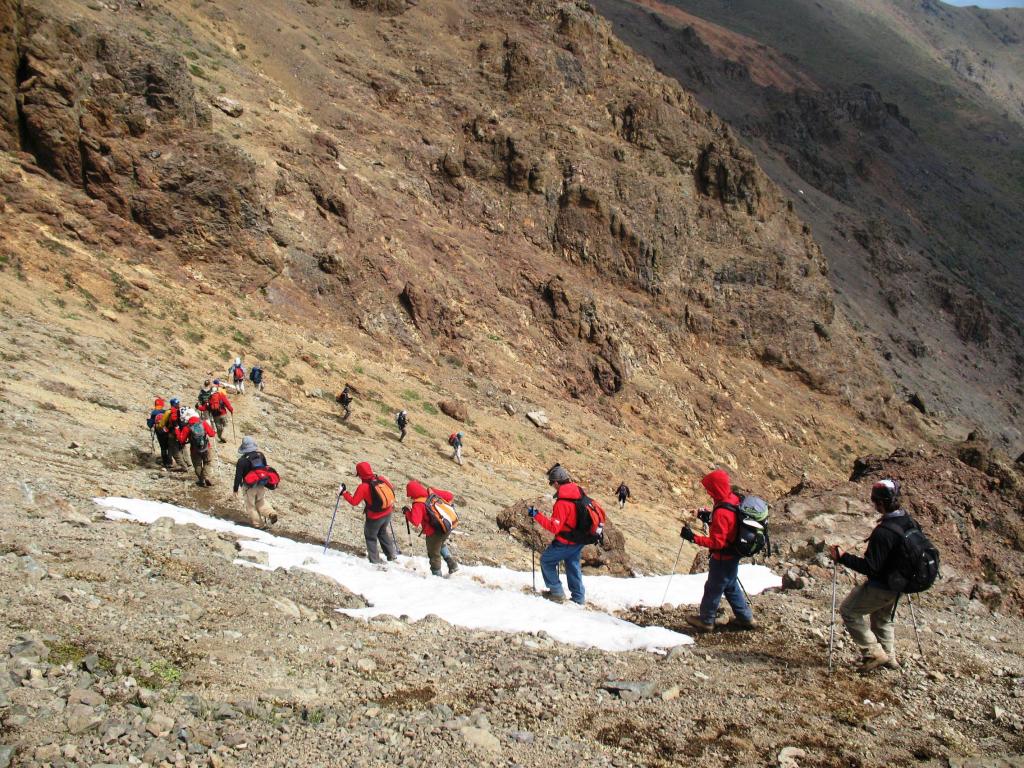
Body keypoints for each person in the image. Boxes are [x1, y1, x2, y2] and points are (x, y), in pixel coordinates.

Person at [828, 478, 913, 673]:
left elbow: (870, 567)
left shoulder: (883, 532)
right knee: (882, 618)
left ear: (880, 502)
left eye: (874, 500)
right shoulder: (908, 520)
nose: (873, 504)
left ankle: (873, 653)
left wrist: (842, 557)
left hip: (882, 585)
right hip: (901, 583)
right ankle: (889, 658)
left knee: (849, 610)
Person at [680, 469, 756, 632]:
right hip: (733, 555)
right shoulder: (733, 499)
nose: (708, 492)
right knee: (730, 586)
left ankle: (706, 621)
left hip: (722, 558)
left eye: (709, 489)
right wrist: (704, 514)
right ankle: (746, 618)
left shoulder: (721, 512)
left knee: (713, 588)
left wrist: (693, 538)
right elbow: (727, 521)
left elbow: (717, 543)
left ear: (716, 488)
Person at [528, 464, 587, 605]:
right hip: (579, 539)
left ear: (556, 482)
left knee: (546, 561)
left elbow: (554, 527)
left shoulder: (563, 502)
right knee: (572, 565)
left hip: (565, 541)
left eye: (551, 483)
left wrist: (536, 515)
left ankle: (557, 593)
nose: (552, 486)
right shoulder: (578, 493)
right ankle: (579, 598)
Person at [339, 461, 398, 564]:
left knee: (370, 537)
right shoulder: (381, 479)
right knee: (382, 532)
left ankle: (375, 560)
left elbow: (354, 502)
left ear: (360, 473)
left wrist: (344, 493)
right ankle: (392, 555)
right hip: (388, 512)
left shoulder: (363, 487)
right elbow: (391, 489)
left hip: (374, 517)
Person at [403, 480, 459, 577]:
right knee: (440, 544)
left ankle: (437, 576)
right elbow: (450, 496)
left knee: (434, 553)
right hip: (446, 526)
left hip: (433, 532)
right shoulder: (431, 493)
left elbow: (415, 522)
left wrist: (407, 512)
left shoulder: (418, 503)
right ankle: (452, 564)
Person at [233, 436, 276, 528]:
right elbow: (265, 468)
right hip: (261, 484)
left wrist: (235, 489)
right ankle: (271, 513)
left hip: (248, 487)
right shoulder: (261, 455)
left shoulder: (242, 461)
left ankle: (259, 525)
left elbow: (238, 476)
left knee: (251, 507)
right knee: (260, 501)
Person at [176, 409, 216, 487]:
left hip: (194, 449)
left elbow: (181, 440)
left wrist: (177, 429)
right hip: (206, 447)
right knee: (207, 462)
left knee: (197, 464)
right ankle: (205, 477)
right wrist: (214, 431)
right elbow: (211, 434)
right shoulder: (203, 423)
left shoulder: (187, 427)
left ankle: (202, 480)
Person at [156, 398, 190, 472]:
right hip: (182, 432)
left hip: (172, 433)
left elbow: (161, 424)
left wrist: (159, 427)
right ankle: (188, 462)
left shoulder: (168, 412)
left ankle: (170, 463)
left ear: (171, 404)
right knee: (183, 447)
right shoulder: (181, 411)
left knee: (171, 448)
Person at [147, 398, 171, 468]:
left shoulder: (154, 413)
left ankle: (165, 462)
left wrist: (148, 420)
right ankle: (170, 462)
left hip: (159, 432)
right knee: (169, 446)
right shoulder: (165, 412)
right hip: (167, 431)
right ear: (162, 405)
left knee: (163, 447)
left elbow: (150, 425)